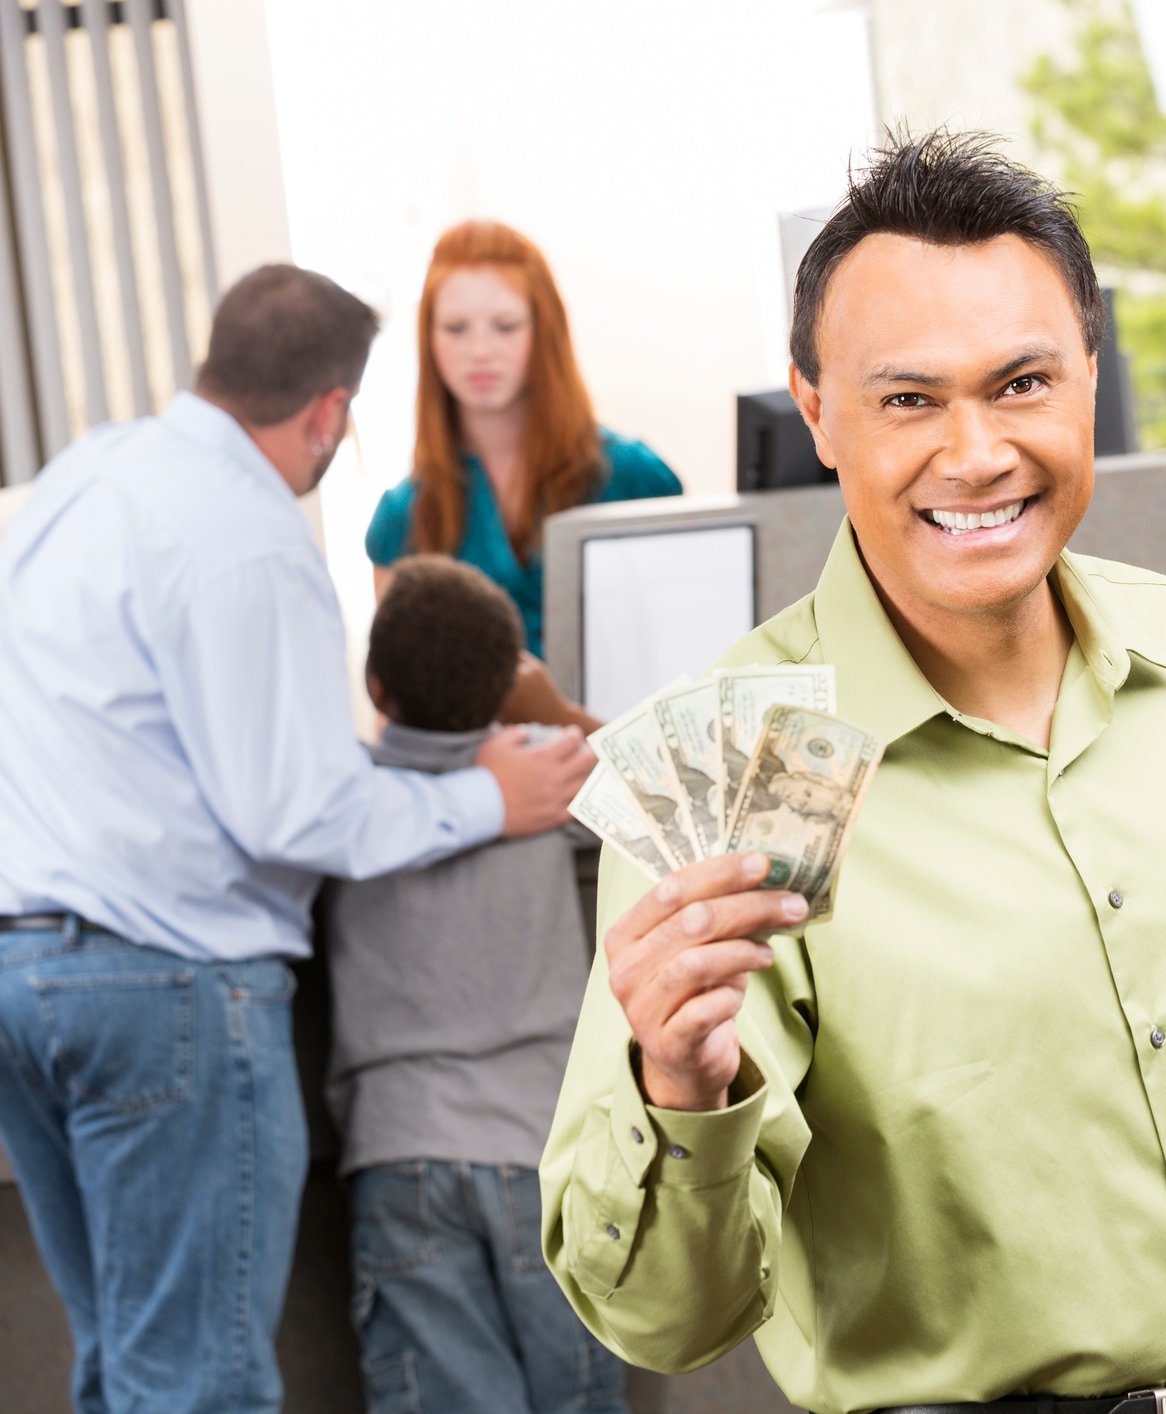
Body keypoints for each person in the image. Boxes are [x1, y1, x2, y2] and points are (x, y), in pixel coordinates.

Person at [541, 131, 1166, 1414]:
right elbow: (669, 1324)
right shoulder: (741, 765)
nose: (977, 452)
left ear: (1088, 381)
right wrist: (677, 1088)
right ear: (817, 410)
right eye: (908, 399)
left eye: (1019, 383)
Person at [0, 265, 594, 1412]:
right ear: (329, 409)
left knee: (122, 1369)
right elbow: (296, 810)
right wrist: (488, 798)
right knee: (201, 1387)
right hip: (164, 990)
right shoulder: (255, 540)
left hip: (21, 966)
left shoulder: (86, 475)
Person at [323, 556, 626, 1414]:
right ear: (503, 686)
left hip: (401, 1147)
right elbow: (679, 794)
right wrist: (553, 713)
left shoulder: (341, 797)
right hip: (544, 1149)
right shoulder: (545, 767)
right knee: (579, 1397)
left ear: (376, 687)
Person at [365, 220, 684, 725]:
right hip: (479, 790)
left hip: (630, 773)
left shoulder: (634, 478)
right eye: (455, 328)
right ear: (429, 339)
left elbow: (682, 665)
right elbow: (403, 714)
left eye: (505, 326)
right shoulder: (403, 515)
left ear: (544, 328)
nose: (480, 350)